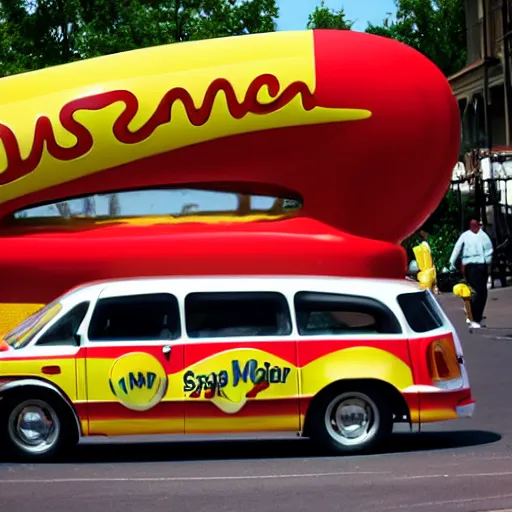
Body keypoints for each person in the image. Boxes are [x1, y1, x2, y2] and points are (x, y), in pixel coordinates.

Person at [449, 219, 494, 328]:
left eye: (476, 225)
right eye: (472, 225)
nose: (474, 227)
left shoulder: (483, 236)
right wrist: (452, 262)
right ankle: (473, 317)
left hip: (481, 265)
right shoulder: (465, 236)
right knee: (478, 291)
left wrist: (488, 262)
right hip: (470, 266)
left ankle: (476, 317)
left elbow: (489, 249)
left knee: (482, 293)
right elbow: (457, 248)